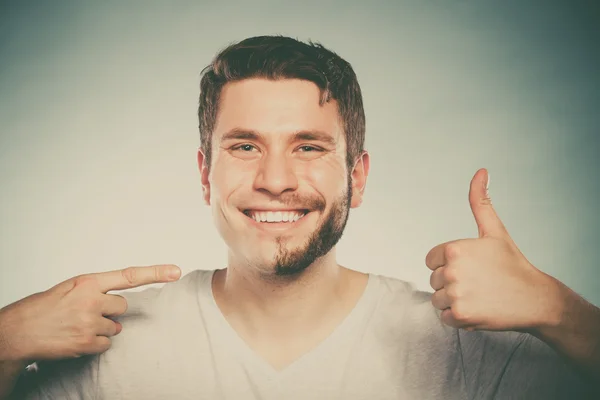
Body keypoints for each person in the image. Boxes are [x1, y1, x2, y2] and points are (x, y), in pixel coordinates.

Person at [0, 35, 598, 400]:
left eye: (308, 146)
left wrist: (558, 309)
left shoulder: (469, 352)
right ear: (205, 174)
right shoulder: (107, 348)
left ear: (357, 177)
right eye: (245, 146)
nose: (277, 179)